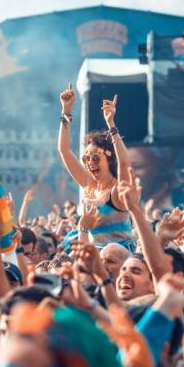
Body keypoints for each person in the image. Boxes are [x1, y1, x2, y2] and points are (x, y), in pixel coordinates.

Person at [58, 84, 134, 251]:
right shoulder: (89, 185)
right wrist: (66, 110)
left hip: (119, 259)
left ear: (109, 158)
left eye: (95, 158)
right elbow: (64, 150)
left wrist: (111, 124)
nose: (89, 163)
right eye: (86, 158)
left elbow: (125, 163)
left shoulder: (116, 192)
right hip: (93, 257)